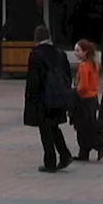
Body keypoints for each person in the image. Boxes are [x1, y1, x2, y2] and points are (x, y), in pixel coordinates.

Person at [23, 25, 73, 173]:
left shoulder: (36, 55)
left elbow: (33, 81)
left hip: (43, 99)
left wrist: (30, 100)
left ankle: (50, 161)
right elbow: (67, 76)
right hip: (58, 97)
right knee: (54, 127)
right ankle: (64, 155)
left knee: (45, 129)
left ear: (36, 38)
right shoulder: (60, 53)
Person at [71, 39, 103, 162]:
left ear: (85, 52)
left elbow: (83, 86)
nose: (75, 53)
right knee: (88, 125)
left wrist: (75, 90)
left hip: (83, 100)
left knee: (81, 127)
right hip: (93, 98)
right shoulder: (93, 65)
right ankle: (86, 150)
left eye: (78, 50)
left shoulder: (83, 66)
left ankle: (97, 144)